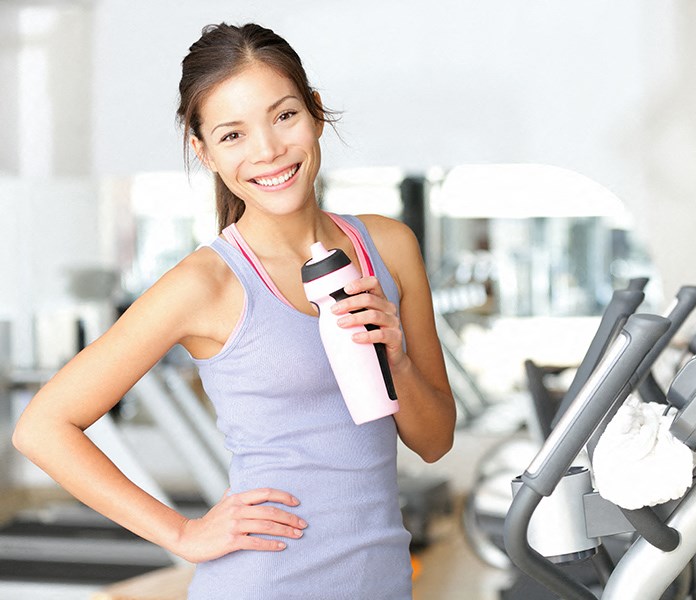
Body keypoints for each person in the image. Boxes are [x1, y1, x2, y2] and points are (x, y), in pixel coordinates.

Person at [12, 22, 455, 599]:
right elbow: (42, 427)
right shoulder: (205, 284)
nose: (268, 151)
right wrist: (182, 533)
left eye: (284, 116)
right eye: (232, 135)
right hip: (263, 582)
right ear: (204, 151)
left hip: (382, 581)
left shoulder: (390, 248)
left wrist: (394, 360)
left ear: (316, 112)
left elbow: (435, 440)